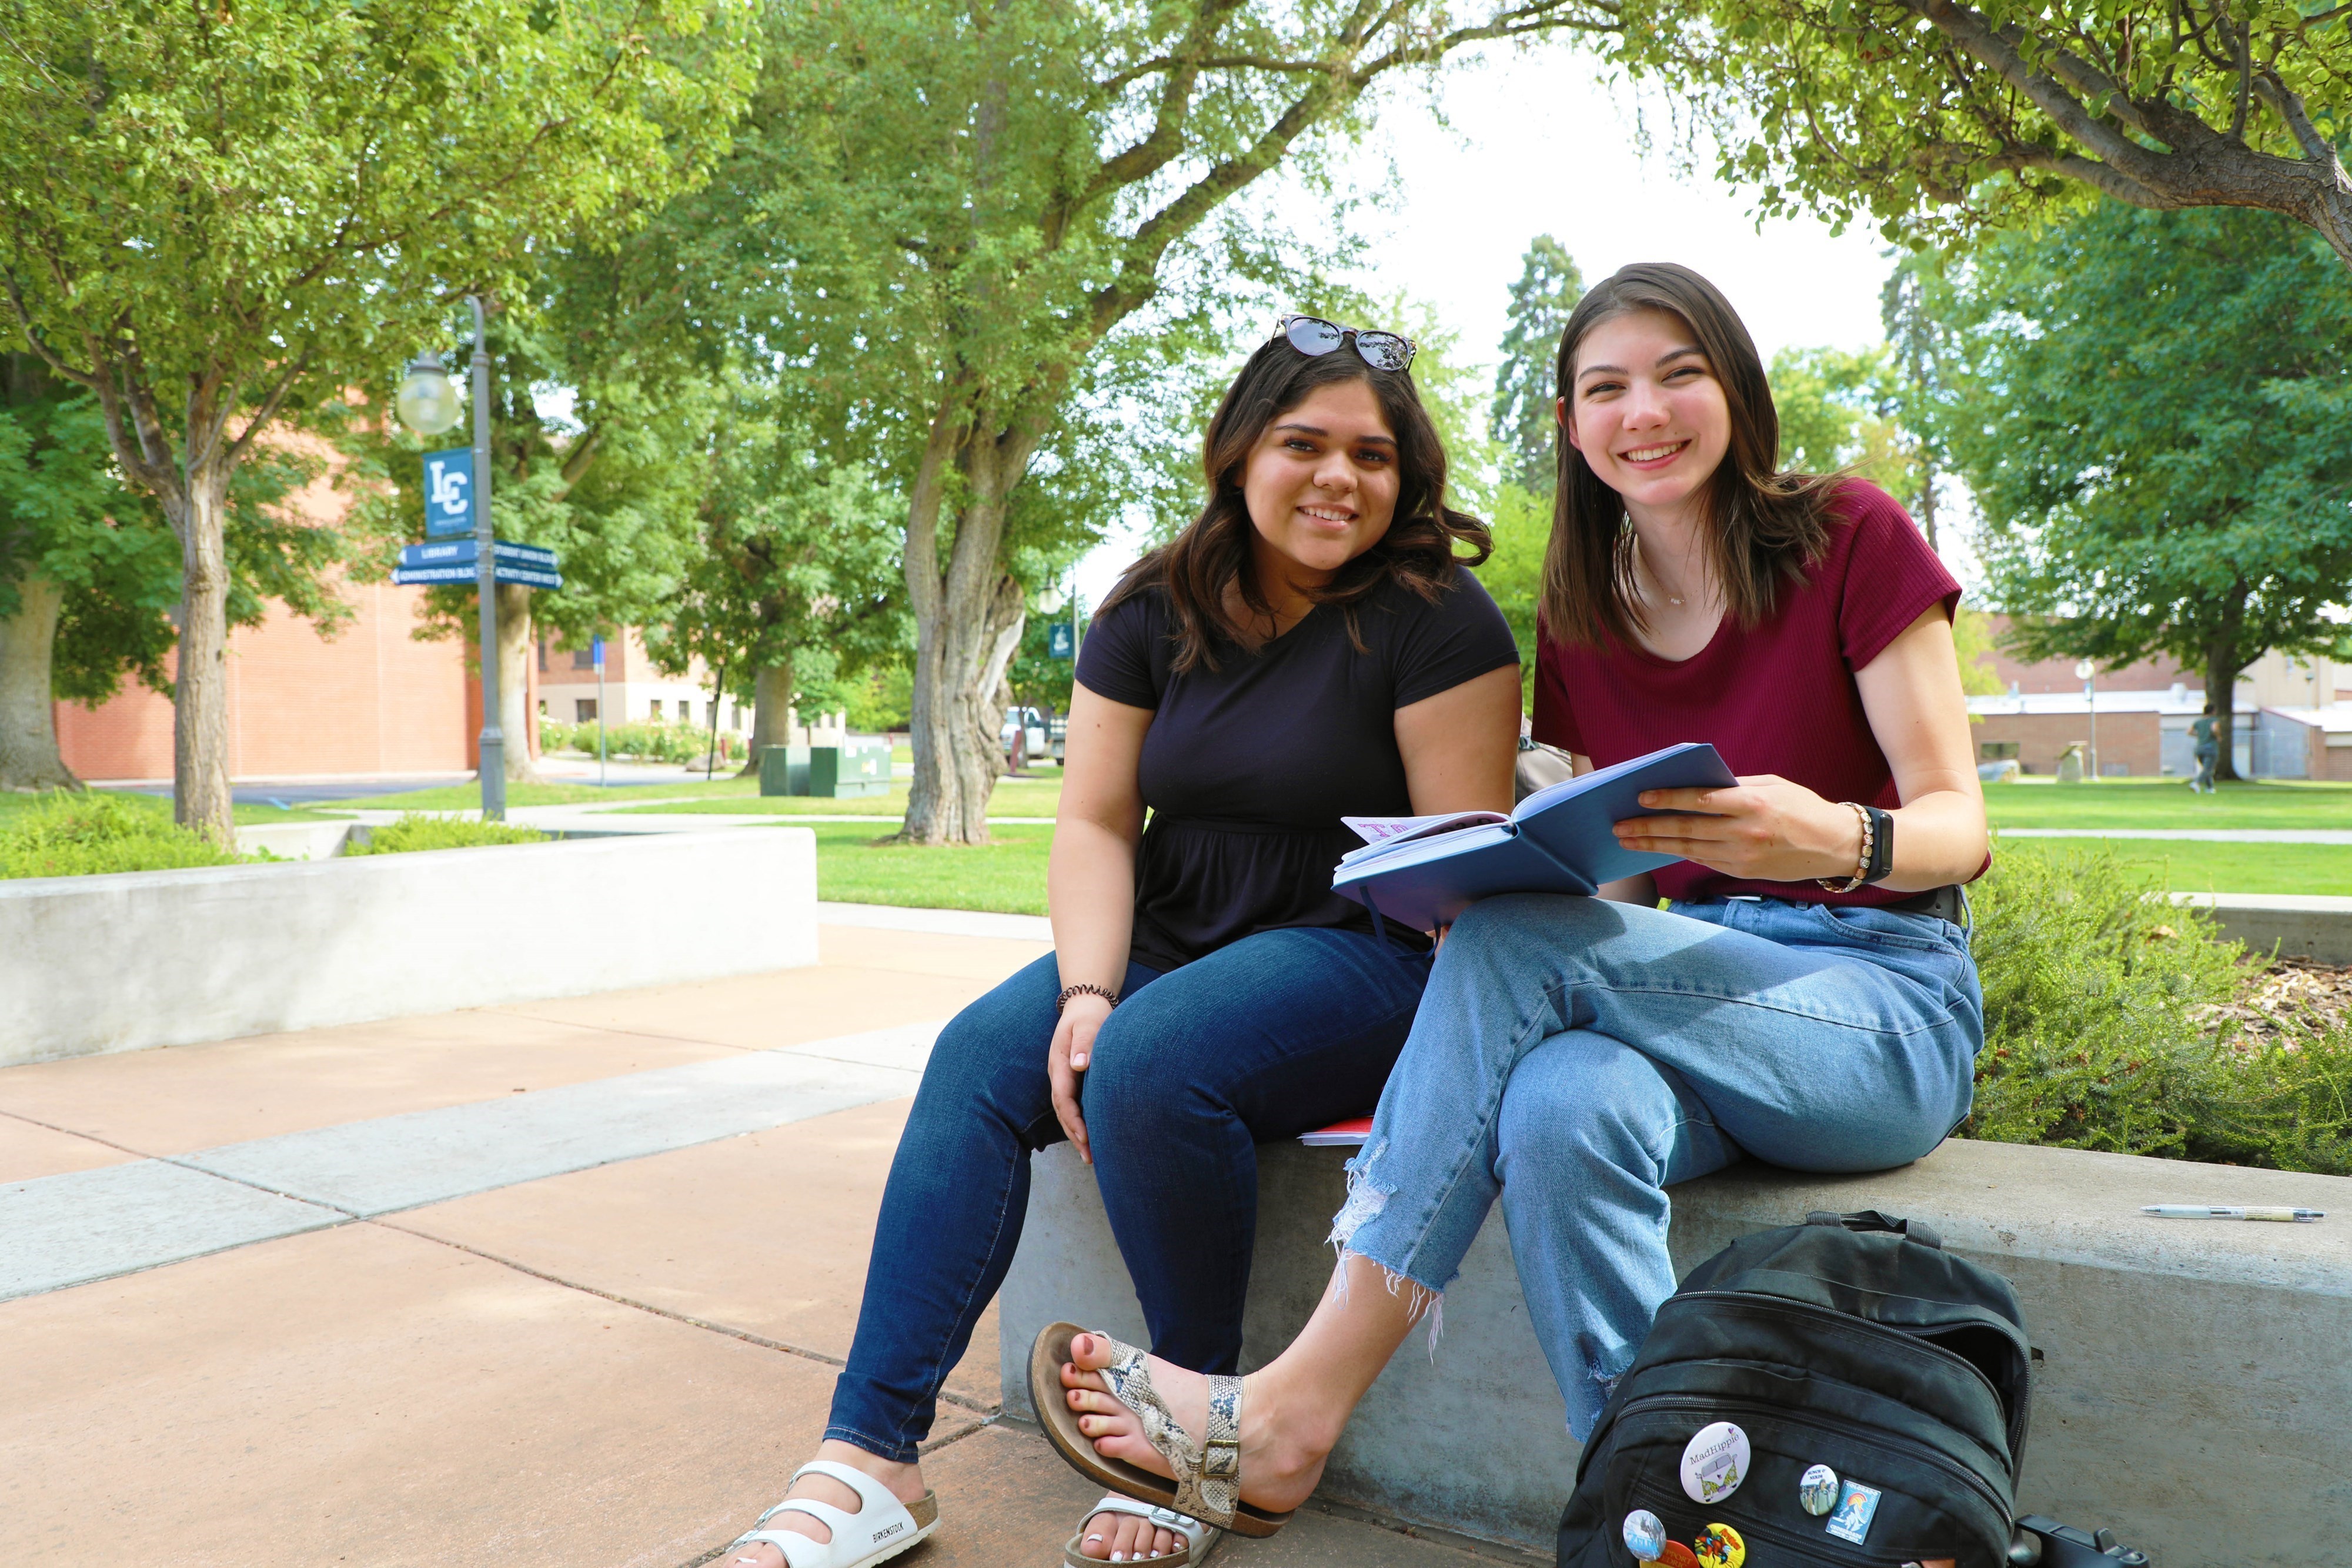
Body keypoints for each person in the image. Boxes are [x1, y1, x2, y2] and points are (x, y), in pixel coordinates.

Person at [1037, 263, 1992, 1540]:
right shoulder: (1585, 614)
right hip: (1693, 996)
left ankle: (1295, 1406)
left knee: (1515, 948)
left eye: (1676, 375)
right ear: (1568, 422)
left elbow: (1957, 830)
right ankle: (1658, 1512)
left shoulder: (1847, 534)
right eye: (1604, 387)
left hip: (1878, 995)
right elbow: (1631, 885)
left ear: (1735, 390)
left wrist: (1824, 834)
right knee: (1555, 1104)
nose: (1641, 411)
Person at [716, 315, 1521, 1568]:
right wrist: (1086, 985)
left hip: (1364, 943)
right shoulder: (1154, 604)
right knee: (984, 1050)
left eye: (1371, 455)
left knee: (1152, 1057)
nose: (1338, 478)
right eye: (1304, 442)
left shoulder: (1438, 616)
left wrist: (1125, 1016)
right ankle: (872, 1454)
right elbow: (1095, 819)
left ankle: (1185, 1427)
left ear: (1404, 477)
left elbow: (1451, 867)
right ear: (1240, 450)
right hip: (1171, 924)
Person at [2190, 704, 2220, 793]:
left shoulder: (2199, 721)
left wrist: (2199, 735)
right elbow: (2214, 729)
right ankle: (2196, 783)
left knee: (2206, 769)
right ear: (2213, 711)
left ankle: (2210, 788)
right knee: (2208, 769)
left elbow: (2189, 731)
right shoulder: (2214, 720)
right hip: (2210, 748)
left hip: (2199, 748)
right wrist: (2218, 736)